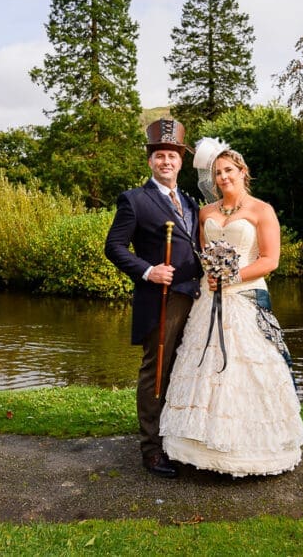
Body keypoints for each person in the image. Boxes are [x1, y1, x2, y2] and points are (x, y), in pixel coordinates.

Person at [159, 138, 303, 477]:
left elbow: (270, 260)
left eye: (229, 171)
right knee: (203, 367)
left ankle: (247, 449)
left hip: (245, 297)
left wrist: (232, 276)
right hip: (210, 298)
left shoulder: (261, 211)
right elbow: (201, 254)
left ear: (242, 172)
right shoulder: (207, 213)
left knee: (247, 369)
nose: (223, 177)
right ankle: (197, 445)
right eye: (218, 172)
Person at [105, 119, 203, 479]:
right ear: (150, 161)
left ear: (180, 161)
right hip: (161, 299)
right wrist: (148, 271)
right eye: (160, 155)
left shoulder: (191, 202)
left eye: (173, 156)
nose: (167, 162)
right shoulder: (134, 200)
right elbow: (113, 247)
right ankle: (151, 449)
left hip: (196, 297)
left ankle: (178, 438)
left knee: (187, 371)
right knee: (155, 373)